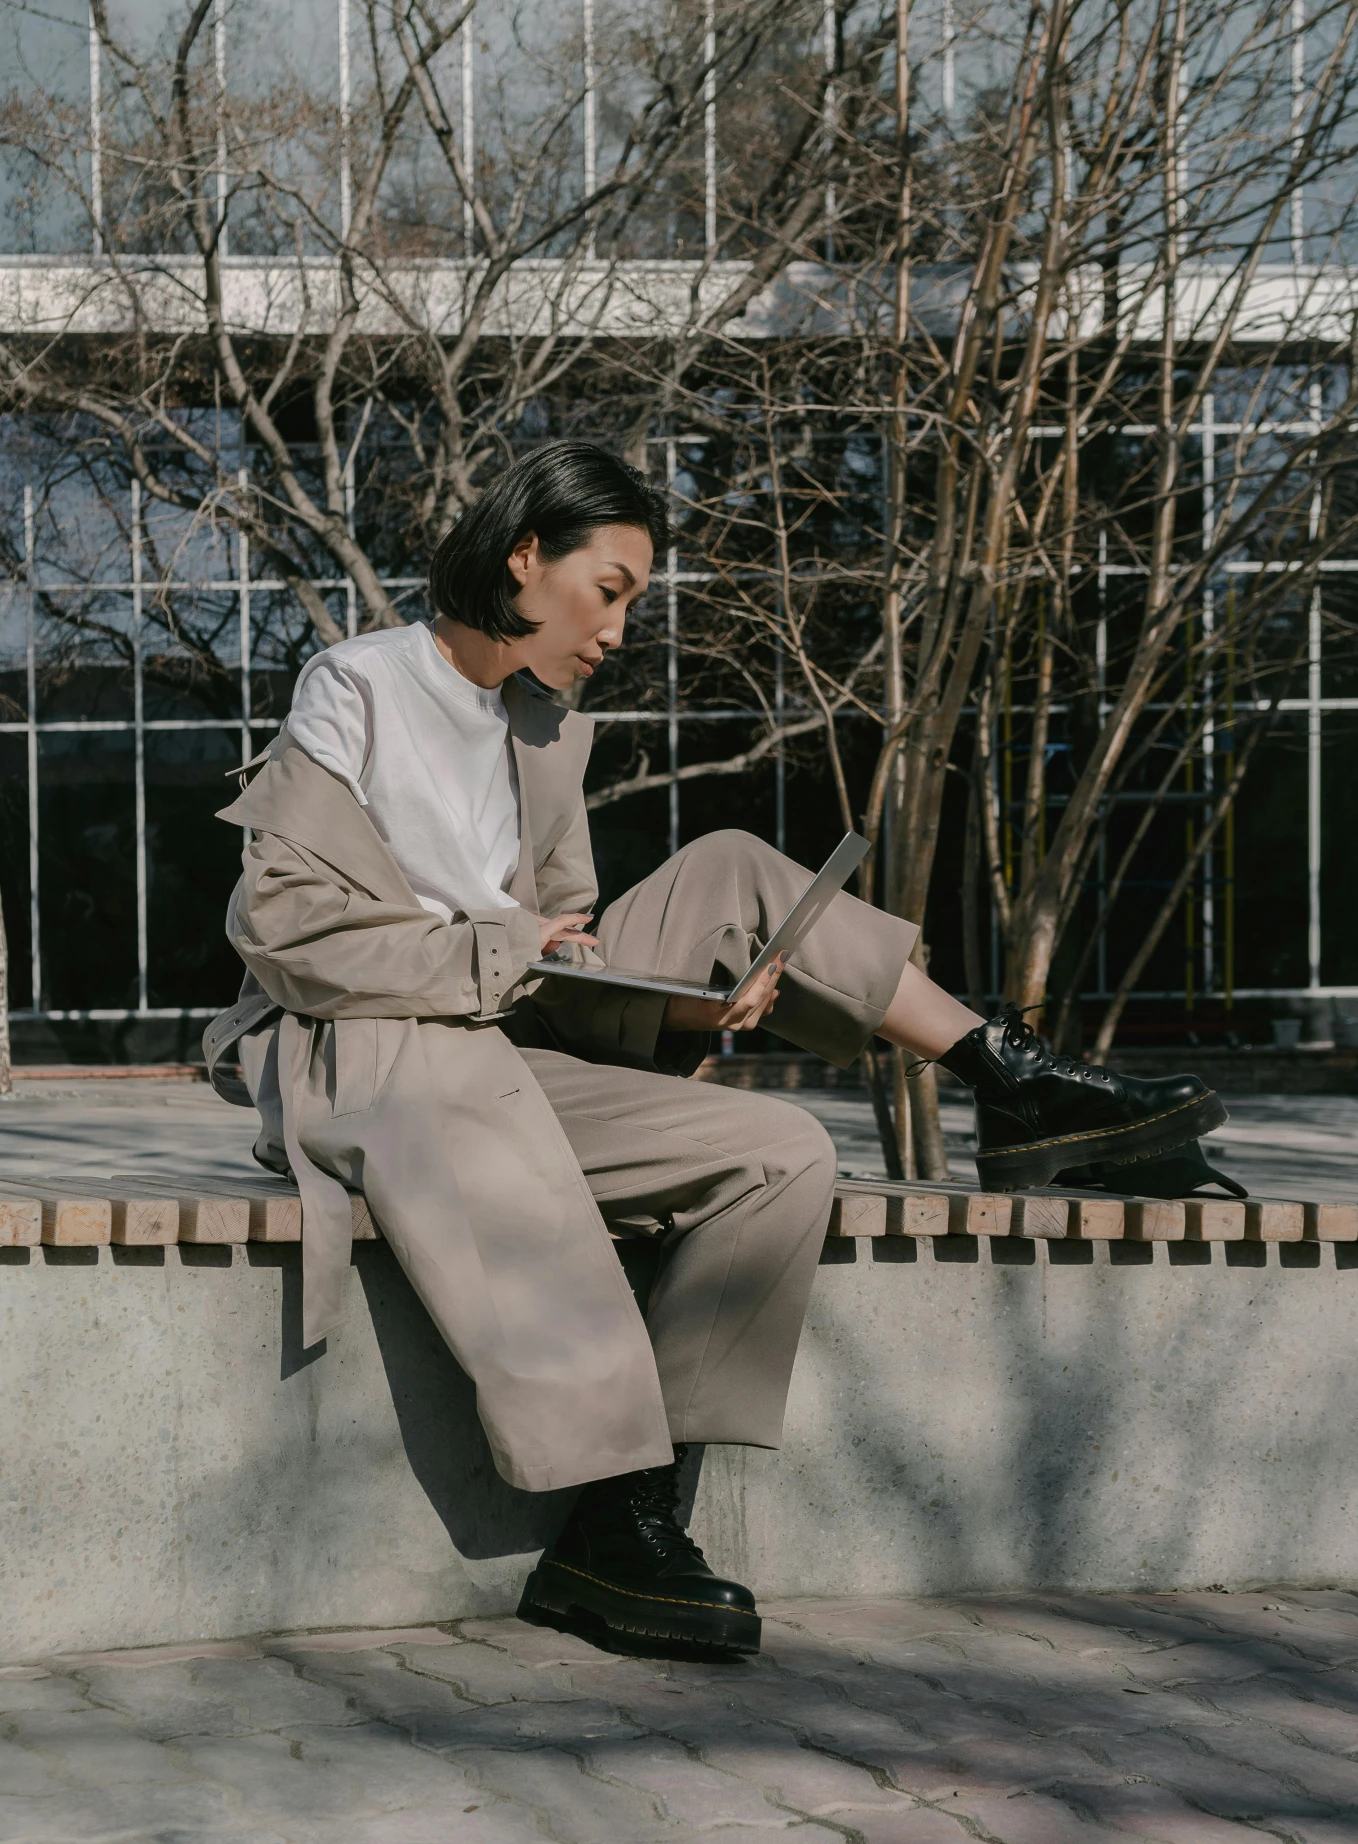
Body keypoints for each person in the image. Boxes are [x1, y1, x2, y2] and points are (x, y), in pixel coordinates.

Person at [206, 440, 1225, 1658]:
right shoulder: (357, 685)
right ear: (524, 557)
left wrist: (676, 1006)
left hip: (500, 1026)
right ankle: (621, 1522)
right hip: (371, 1044)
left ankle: (1006, 1080)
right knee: (752, 1133)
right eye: (612, 587)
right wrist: (506, 945)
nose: (619, 627)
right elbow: (286, 930)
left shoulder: (544, 728)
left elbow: (558, 952)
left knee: (772, 1062)